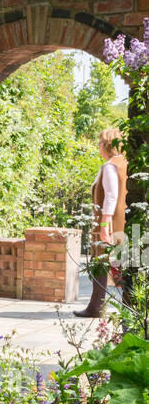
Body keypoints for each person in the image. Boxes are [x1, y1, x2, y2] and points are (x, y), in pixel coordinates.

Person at [74, 126, 128, 318]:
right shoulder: (124, 163)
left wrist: (104, 225)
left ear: (106, 145)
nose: (97, 146)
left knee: (102, 263)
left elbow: (111, 196)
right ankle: (101, 306)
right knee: (118, 264)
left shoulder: (110, 166)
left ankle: (96, 307)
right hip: (122, 222)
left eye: (99, 142)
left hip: (110, 223)